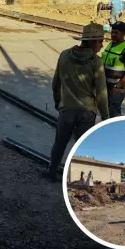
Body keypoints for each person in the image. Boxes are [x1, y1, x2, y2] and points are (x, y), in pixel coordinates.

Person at [43, 23, 110, 182]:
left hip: (66, 110)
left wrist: (58, 102)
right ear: (92, 41)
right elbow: (101, 93)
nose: (102, 45)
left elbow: (55, 84)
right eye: (100, 41)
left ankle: (51, 172)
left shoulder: (64, 55)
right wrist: (106, 117)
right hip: (87, 113)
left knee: (59, 143)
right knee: (82, 149)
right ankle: (80, 181)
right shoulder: (96, 61)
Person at [101, 21, 125, 118]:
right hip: (106, 86)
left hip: (117, 89)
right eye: (112, 32)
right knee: (105, 111)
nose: (113, 35)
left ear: (123, 34)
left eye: (116, 33)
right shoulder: (111, 45)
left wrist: (118, 86)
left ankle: (117, 131)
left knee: (114, 112)